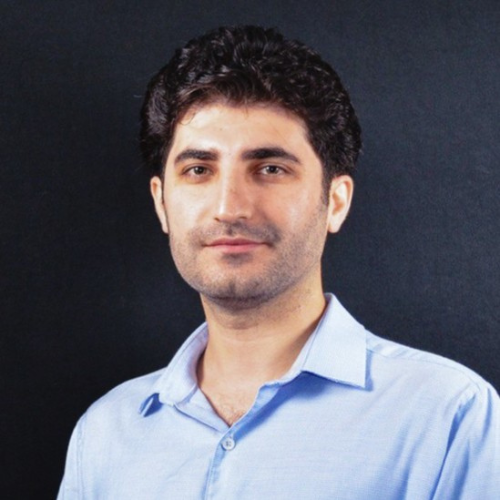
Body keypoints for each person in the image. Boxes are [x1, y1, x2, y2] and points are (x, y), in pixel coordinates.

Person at [57, 25, 500, 499]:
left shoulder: (447, 418)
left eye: (270, 169)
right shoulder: (105, 435)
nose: (229, 207)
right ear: (161, 203)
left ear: (336, 202)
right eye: (198, 170)